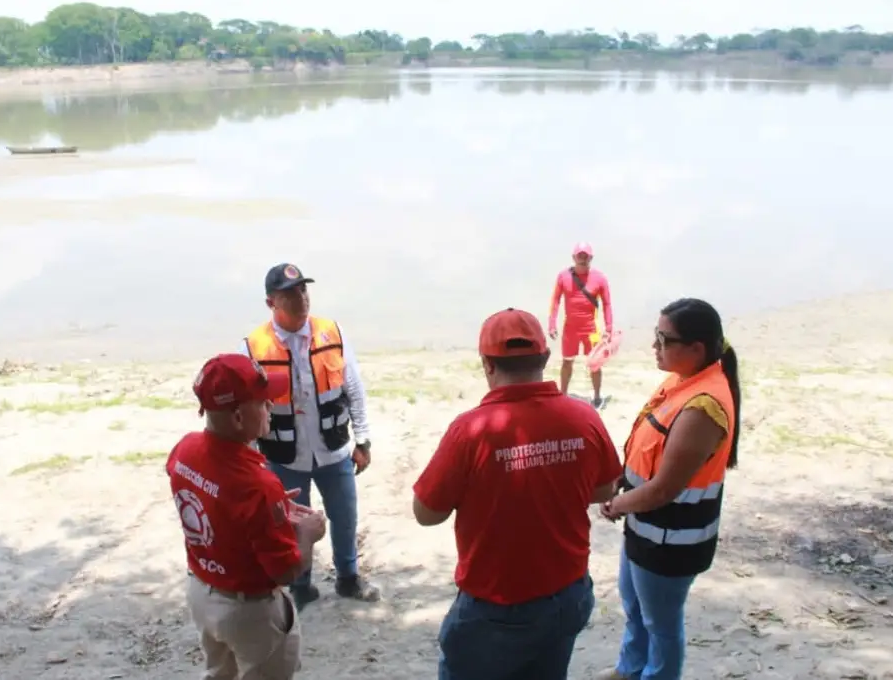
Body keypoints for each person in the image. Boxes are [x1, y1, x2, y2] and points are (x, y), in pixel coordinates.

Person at [412, 307, 624, 680]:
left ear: (487, 365)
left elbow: (427, 513)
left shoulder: (470, 431)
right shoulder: (583, 417)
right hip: (568, 593)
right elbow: (606, 487)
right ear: (545, 357)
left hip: (496, 606)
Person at [596, 298, 742, 680]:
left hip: (671, 539)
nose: (654, 346)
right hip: (645, 527)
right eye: (656, 335)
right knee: (635, 609)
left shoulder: (702, 408)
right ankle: (630, 670)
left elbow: (664, 489)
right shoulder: (683, 379)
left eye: (664, 339)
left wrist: (617, 504)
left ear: (696, 349)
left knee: (661, 624)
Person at [167, 353, 329, 680]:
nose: (271, 406)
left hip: (201, 590)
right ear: (239, 417)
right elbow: (285, 571)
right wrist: (308, 534)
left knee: (219, 672)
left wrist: (267, 512)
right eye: (263, 401)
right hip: (248, 610)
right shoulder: (257, 485)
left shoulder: (185, 449)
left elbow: (214, 496)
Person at [239, 262, 379, 610]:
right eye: (289, 294)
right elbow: (248, 409)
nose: (300, 298)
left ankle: (348, 578)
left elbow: (354, 389)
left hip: (333, 451)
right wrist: (251, 461)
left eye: (303, 289)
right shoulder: (254, 347)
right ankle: (300, 586)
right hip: (284, 457)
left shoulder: (332, 333)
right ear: (271, 302)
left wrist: (362, 440)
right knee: (292, 524)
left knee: (344, 517)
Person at [547, 241, 614, 406]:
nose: (583, 260)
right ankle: (563, 395)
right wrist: (552, 324)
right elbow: (555, 301)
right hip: (570, 328)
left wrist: (609, 328)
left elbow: (607, 304)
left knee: (595, 363)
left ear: (591, 258)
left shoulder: (600, 278)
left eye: (586, 257)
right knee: (567, 362)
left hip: (591, 329)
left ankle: (597, 397)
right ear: (574, 257)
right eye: (580, 256)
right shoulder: (563, 276)